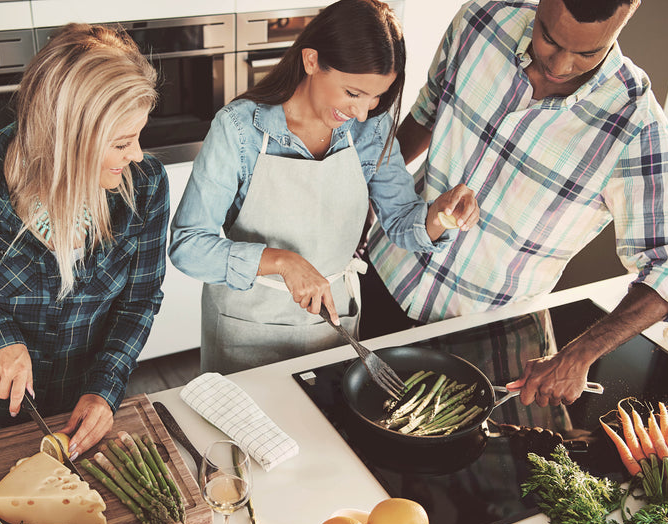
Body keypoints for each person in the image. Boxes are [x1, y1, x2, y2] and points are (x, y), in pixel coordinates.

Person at [361, 0, 668, 406]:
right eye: (549, 38)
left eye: (587, 53)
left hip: (485, 339)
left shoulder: (635, 124)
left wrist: (579, 355)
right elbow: (422, 117)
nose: (560, 65)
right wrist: (356, 199)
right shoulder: (480, 22)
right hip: (382, 274)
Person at [169, 0, 480, 374]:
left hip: (332, 326)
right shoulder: (239, 129)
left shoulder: (371, 127)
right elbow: (188, 246)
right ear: (312, 61)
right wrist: (282, 262)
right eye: (352, 93)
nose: (363, 112)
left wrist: (441, 215)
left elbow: (401, 221)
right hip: (245, 329)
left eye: (376, 97)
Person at [0, 23, 168, 457]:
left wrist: (106, 387)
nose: (137, 154)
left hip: (80, 407)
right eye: (122, 142)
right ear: (67, 138)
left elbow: (139, 299)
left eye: (138, 136)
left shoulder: (146, 184)